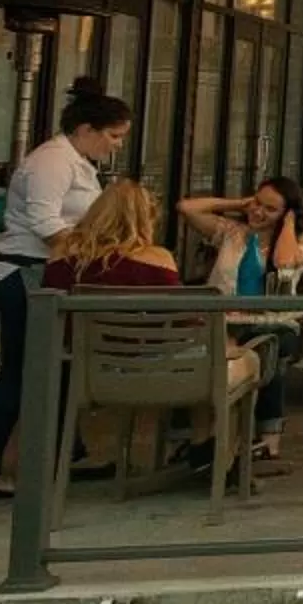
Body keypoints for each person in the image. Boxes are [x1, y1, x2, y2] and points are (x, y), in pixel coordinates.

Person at [46, 179, 269, 484]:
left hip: (85, 370)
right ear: (145, 219)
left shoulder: (60, 254)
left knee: (208, 358)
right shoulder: (156, 259)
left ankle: (200, 448)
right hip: (150, 367)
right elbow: (181, 324)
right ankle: (214, 452)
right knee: (234, 360)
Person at [0, 82, 131, 501]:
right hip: (27, 273)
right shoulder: (52, 161)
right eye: (112, 136)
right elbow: (46, 224)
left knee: (58, 366)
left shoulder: (76, 162)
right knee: (22, 372)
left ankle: (66, 454)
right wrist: (92, 254)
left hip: (54, 273)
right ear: (86, 129)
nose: (114, 147)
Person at [177, 178, 303, 472]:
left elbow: (285, 262)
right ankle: (208, 441)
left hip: (272, 322)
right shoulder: (231, 233)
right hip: (224, 321)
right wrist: (238, 203)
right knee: (207, 353)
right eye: (258, 204)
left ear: (288, 213)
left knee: (268, 347)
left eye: (270, 209)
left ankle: (267, 439)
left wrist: (287, 224)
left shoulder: (299, 241)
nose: (260, 212)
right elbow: (186, 207)